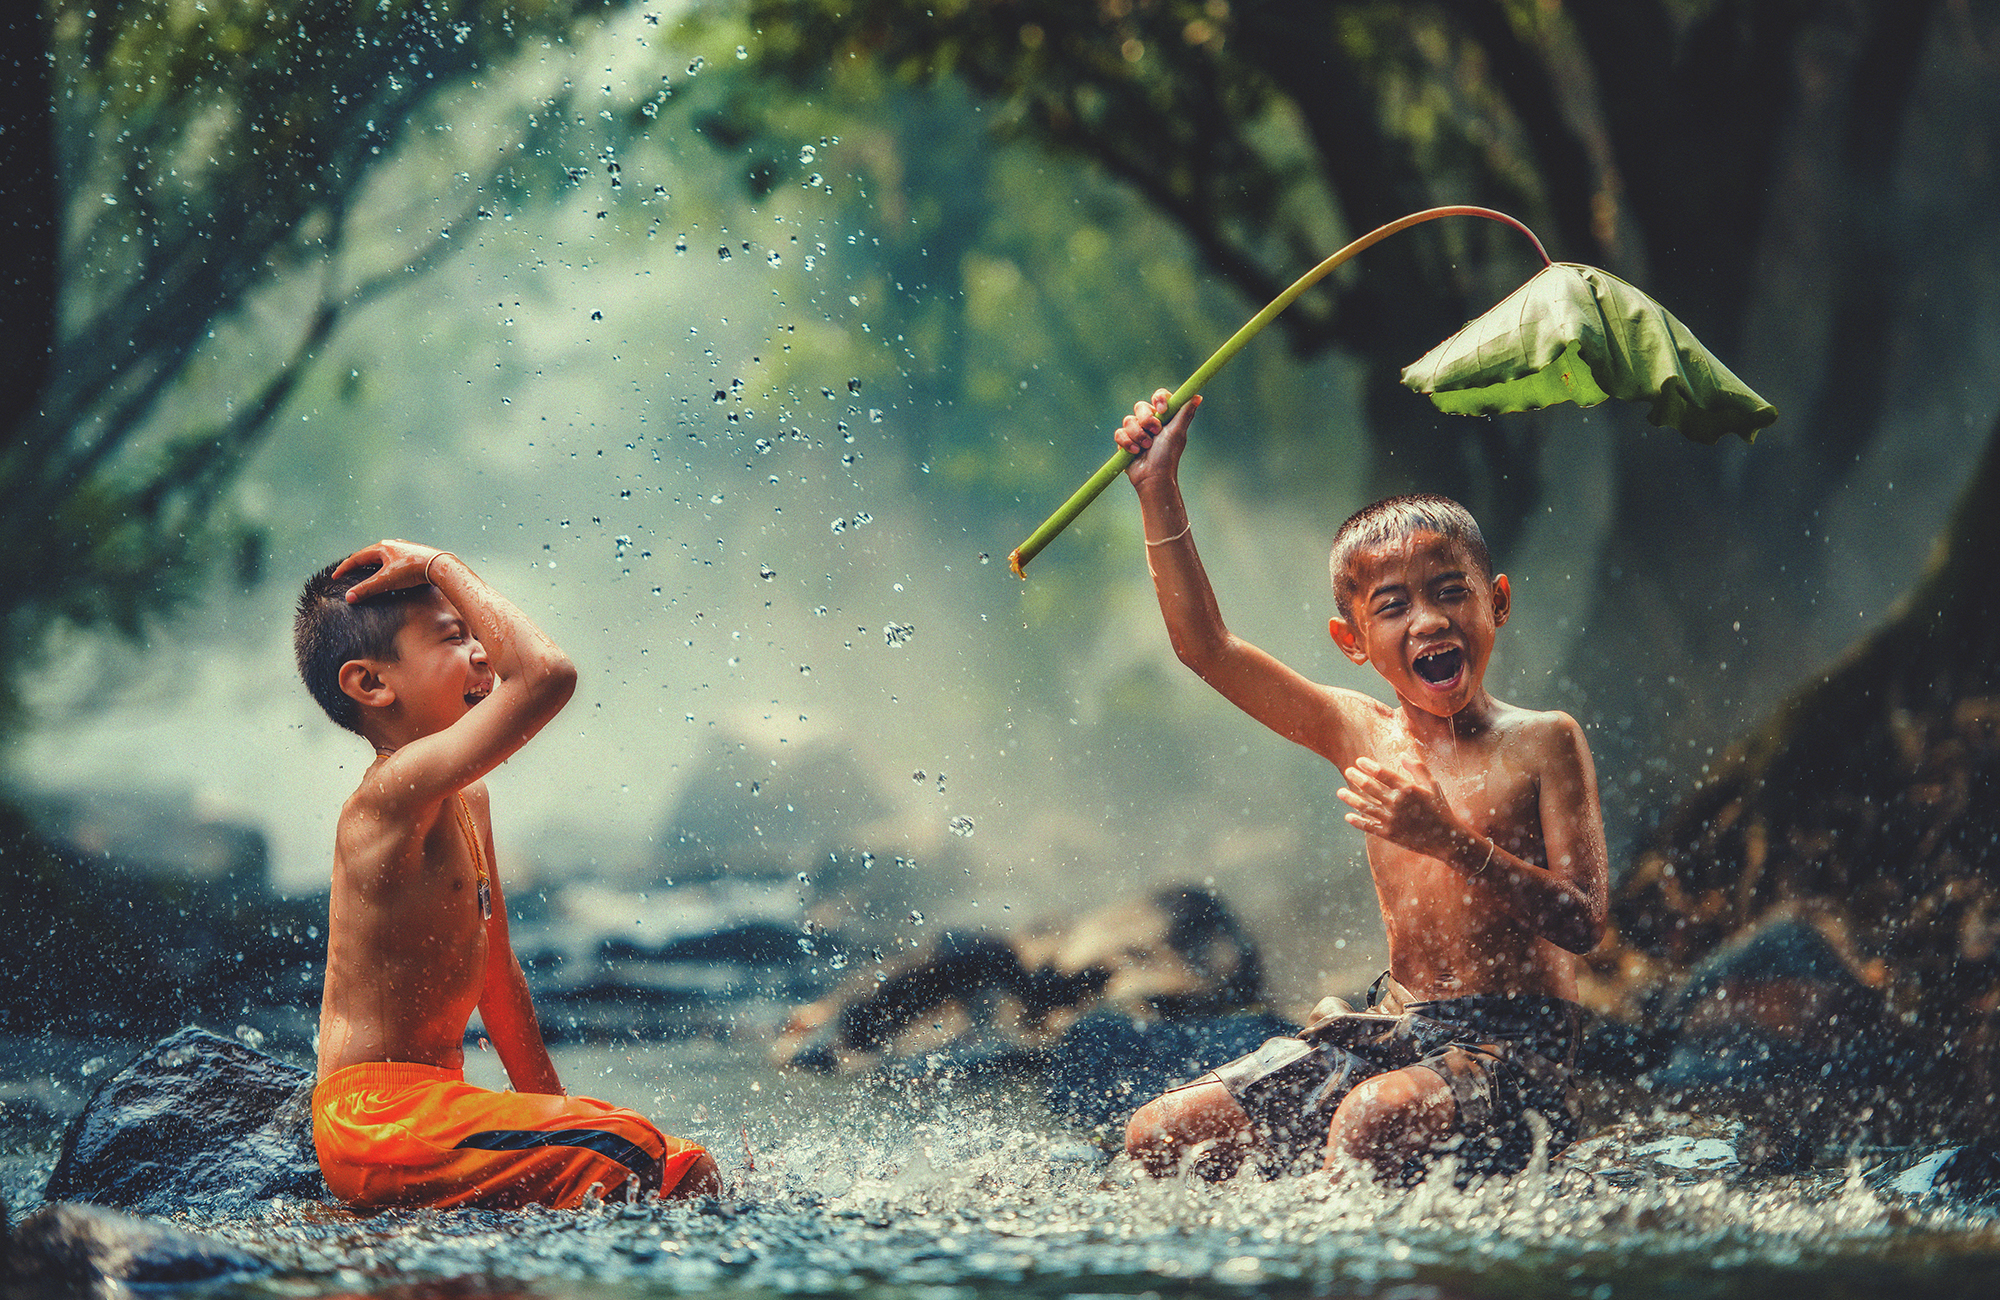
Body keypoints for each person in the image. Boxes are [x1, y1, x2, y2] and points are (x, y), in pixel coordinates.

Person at [1112, 391, 1609, 1185]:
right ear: (1353, 640)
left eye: (1450, 591)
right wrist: (1157, 489)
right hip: (1400, 1026)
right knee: (1162, 1132)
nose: (1429, 621)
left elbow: (1583, 923)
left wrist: (1451, 842)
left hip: (1521, 1045)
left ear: (1497, 601)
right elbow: (1207, 648)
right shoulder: (1359, 733)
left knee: (1371, 1118)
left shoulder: (1544, 741)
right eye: (1394, 606)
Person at [294, 539, 721, 1210]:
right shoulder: (388, 795)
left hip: (436, 1108)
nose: (484, 654)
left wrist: (552, 1111)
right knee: (630, 1151)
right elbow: (547, 674)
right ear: (371, 684)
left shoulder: (469, 798)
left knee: (682, 1166)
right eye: (453, 637)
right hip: (376, 1121)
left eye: (476, 634)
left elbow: (497, 976)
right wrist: (438, 565)